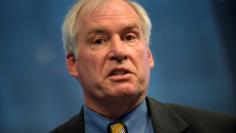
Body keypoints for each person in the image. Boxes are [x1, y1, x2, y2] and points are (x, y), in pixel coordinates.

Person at [50, 0, 236, 132]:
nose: (119, 52)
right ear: (73, 63)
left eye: (129, 37)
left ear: (148, 56)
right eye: (99, 41)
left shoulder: (222, 128)